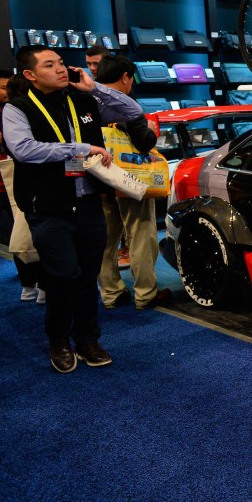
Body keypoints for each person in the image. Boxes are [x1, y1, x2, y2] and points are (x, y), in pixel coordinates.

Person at [2, 45, 143, 373]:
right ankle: (59, 340)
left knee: (86, 277)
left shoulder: (83, 99)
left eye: (62, 63)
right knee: (63, 276)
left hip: (90, 203)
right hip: (49, 208)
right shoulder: (18, 109)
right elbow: (25, 150)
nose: (61, 69)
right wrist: (81, 148)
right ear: (30, 75)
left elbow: (132, 111)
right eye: (50, 65)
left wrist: (96, 88)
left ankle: (87, 338)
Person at [95, 55, 171, 311]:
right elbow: (144, 142)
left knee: (105, 239)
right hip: (131, 180)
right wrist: (150, 128)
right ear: (125, 77)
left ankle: (111, 294)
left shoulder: (87, 100)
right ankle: (145, 294)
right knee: (140, 236)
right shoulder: (127, 104)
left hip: (99, 179)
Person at [0, 70, 47, 302]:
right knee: (28, 234)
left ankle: (37, 285)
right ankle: (33, 284)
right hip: (20, 184)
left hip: (18, 183)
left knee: (27, 233)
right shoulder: (19, 112)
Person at [86, 44, 131, 268]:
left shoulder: (123, 95)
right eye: (89, 64)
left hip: (122, 171)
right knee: (109, 229)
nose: (93, 68)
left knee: (115, 228)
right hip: (106, 173)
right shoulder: (85, 96)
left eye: (96, 63)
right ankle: (139, 293)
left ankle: (113, 288)